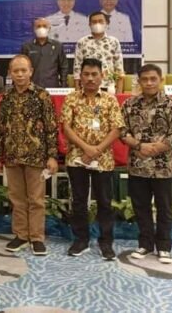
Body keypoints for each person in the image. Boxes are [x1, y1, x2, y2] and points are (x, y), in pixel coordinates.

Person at [120, 64, 172, 264]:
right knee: (141, 207)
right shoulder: (129, 104)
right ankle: (145, 244)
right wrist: (139, 145)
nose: (149, 83)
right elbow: (121, 131)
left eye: (153, 79)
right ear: (139, 82)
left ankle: (164, 247)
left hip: (163, 167)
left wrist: (157, 147)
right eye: (145, 79)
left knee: (164, 208)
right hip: (138, 165)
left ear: (161, 80)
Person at [0, 55, 59, 256]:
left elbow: (51, 127)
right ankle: (21, 235)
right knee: (17, 199)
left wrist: (52, 156)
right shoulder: (6, 97)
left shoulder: (42, 95)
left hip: (36, 155)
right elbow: (0, 127)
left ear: (31, 71)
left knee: (36, 199)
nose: (20, 74)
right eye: (16, 71)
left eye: (24, 70)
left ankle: (37, 237)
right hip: (12, 154)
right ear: (10, 74)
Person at [61, 58, 124, 261]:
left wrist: (96, 150)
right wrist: (86, 149)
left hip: (103, 159)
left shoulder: (110, 100)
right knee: (79, 201)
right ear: (80, 76)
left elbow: (117, 128)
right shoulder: (71, 98)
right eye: (86, 74)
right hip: (77, 157)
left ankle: (106, 242)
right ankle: (81, 240)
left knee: (104, 202)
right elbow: (66, 128)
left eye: (94, 74)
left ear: (102, 76)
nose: (90, 78)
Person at [73, 11, 125, 93]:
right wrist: (77, 91)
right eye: (94, 22)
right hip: (87, 87)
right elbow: (77, 68)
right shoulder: (82, 42)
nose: (97, 24)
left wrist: (119, 93)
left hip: (108, 87)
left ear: (106, 23)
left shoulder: (114, 42)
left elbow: (119, 68)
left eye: (100, 21)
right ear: (89, 24)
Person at [20, 18, 68, 88]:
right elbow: (22, 67)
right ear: (34, 29)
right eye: (38, 26)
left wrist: (63, 85)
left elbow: (63, 67)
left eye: (44, 26)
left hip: (52, 87)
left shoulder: (58, 46)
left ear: (49, 28)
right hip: (32, 87)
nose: (41, 28)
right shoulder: (27, 46)